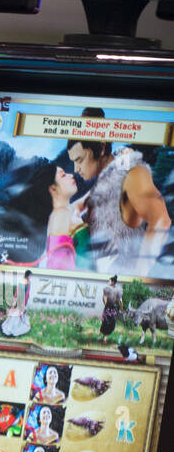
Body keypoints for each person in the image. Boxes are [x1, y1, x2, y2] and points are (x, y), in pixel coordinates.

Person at [68, 110, 172, 275]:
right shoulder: (103, 182)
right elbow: (76, 206)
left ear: (101, 148)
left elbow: (161, 220)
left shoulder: (130, 172)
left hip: (124, 280)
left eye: (79, 160)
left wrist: (138, 277)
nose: (76, 169)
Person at [2, 269, 32, 337]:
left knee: (20, 316)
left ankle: (16, 330)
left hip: (24, 301)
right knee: (16, 316)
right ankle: (12, 330)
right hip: (20, 301)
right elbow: (18, 292)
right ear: (28, 275)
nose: (30, 277)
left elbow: (27, 293)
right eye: (30, 275)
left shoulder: (29, 282)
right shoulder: (23, 281)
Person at [100, 274, 123, 342]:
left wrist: (121, 308)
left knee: (111, 322)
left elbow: (120, 300)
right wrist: (106, 305)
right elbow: (105, 297)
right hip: (109, 307)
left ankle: (106, 336)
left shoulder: (117, 289)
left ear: (112, 282)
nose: (108, 282)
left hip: (112, 307)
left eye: (109, 281)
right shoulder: (108, 289)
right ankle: (105, 337)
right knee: (106, 321)